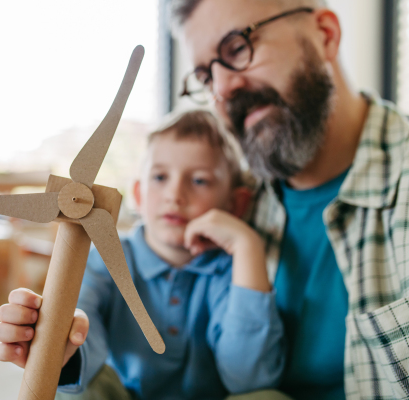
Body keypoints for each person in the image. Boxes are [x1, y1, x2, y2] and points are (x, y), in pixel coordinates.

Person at [172, 0, 409, 399]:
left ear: (325, 36)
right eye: (205, 75)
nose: (224, 88)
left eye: (237, 48)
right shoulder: (228, 203)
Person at [0, 110, 288, 399]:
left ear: (236, 204)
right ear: (138, 194)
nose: (175, 194)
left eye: (199, 181)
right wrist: (60, 347)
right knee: (82, 388)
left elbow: (250, 380)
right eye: (160, 177)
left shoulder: (233, 272)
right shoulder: (104, 260)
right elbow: (81, 331)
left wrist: (247, 246)